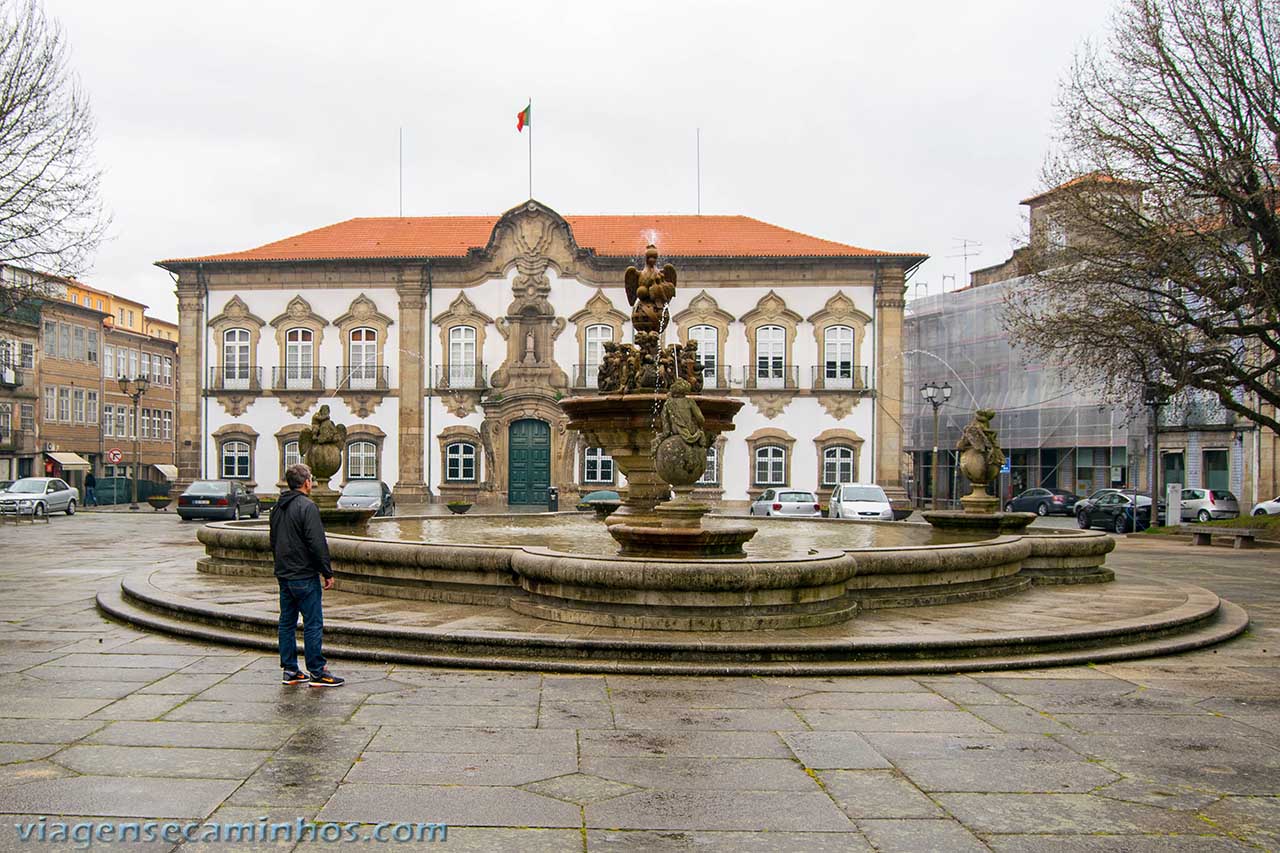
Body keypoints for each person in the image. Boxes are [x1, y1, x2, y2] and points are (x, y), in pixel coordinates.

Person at [269, 462, 343, 687]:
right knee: (312, 623)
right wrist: (326, 571)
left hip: (284, 573)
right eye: (310, 478)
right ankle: (317, 672)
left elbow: (273, 539)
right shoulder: (307, 507)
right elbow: (316, 543)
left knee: (287, 623)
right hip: (303, 574)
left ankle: (290, 670)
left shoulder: (277, 507)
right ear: (307, 482)